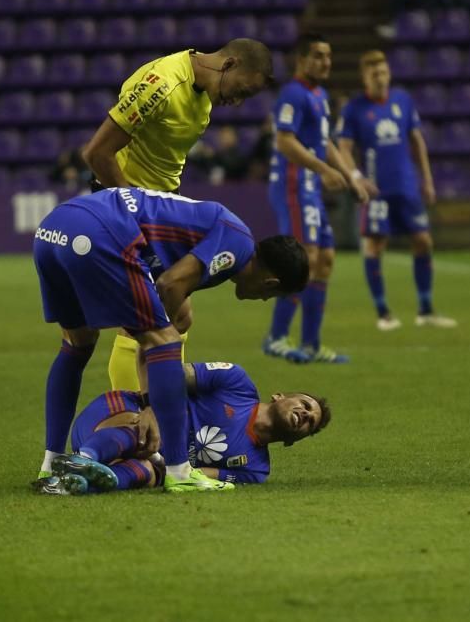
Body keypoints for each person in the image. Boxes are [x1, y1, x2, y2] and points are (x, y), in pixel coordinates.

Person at [33, 187, 309, 493]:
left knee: (77, 344)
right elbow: (169, 284)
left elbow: (167, 278)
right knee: (166, 342)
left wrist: (162, 324)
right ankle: (180, 471)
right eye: (272, 296)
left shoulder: (217, 231)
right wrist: (153, 401)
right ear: (271, 283)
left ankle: (51, 465)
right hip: (100, 232)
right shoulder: (237, 242)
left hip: (54, 228)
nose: (263, 300)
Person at [81, 39, 276, 394]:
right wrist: (131, 211)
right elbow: (97, 153)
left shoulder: (203, 95)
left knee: (176, 314)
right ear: (229, 64)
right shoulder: (162, 84)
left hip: (155, 209)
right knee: (145, 320)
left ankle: (155, 406)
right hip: (125, 207)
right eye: (242, 90)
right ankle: (134, 417)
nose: (238, 101)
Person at [33, 361, 331, 495]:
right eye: (304, 404)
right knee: (150, 431)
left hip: (145, 459)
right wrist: (152, 407)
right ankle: (83, 458)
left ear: (297, 440)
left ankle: (74, 484)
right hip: (118, 415)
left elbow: (193, 475)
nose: (304, 414)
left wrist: (163, 466)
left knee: (155, 474)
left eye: (310, 422)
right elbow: (168, 373)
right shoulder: (236, 382)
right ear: (280, 395)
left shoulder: (256, 470)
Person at [262, 33, 370, 364]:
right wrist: (323, 169)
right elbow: (284, 142)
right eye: (319, 56)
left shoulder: (320, 95)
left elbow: (325, 142)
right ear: (302, 60)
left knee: (324, 261)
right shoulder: (293, 94)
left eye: (328, 56)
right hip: (293, 185)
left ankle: (311, 343)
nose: (326, 62)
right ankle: (276, 338)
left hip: (309, 185)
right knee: (303, 258)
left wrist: (352, 177)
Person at [337, 50, 457, 331]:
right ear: (365, 77)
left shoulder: (402, 101)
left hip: (406, 186)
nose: (380, 78)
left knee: (424, 241)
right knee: (375, 246)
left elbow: (417, 141)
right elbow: (343, 147)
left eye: (384, 72)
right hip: (376, 190)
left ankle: (426, 309)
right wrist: (355, 176)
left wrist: (427, 179)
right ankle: (383, 313)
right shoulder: (354, 109)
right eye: (374, 73)